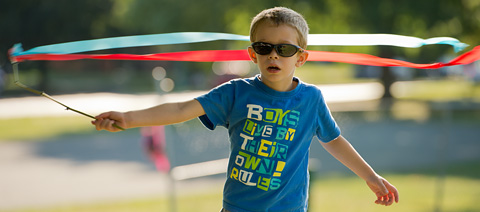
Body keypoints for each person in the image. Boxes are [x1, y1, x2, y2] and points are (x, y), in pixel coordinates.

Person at [92, 7, 399, 212]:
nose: (274, 54)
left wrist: (370, 177)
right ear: (253, 54)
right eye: (264, 47)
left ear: (300, 57)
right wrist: (129, 118)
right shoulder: (236, 93)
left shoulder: (311, 99)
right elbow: (182, 108)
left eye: (285, 48)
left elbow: (334, 140)